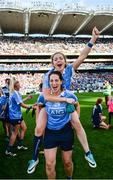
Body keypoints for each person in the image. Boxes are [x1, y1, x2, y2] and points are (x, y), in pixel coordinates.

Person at [27, 27, 99, 173]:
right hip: (49, 101)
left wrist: (93, 39)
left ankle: (88, 153)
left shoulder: (69, 70)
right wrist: (65, 100)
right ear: (52, 63)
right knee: (39, 128)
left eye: (61, 58)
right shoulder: (48, 76)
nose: (58, 60)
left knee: (77, 123)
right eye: (55, 59)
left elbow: (82, 56)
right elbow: (46, 97)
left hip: (64, 98)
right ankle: (34, 158)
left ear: (65, 61)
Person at [5, 80, 33, 156]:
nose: (20, 85)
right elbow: (21, 104)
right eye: (19, 84)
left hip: (17, 115)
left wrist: (27, 98)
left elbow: (19, 102)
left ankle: (20, 145)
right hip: (15, 116)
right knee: (15, 133)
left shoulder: (14, 93)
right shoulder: (15, 93)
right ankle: (8, 150)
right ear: (16, 86)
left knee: (24, 128)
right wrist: (31, 107)